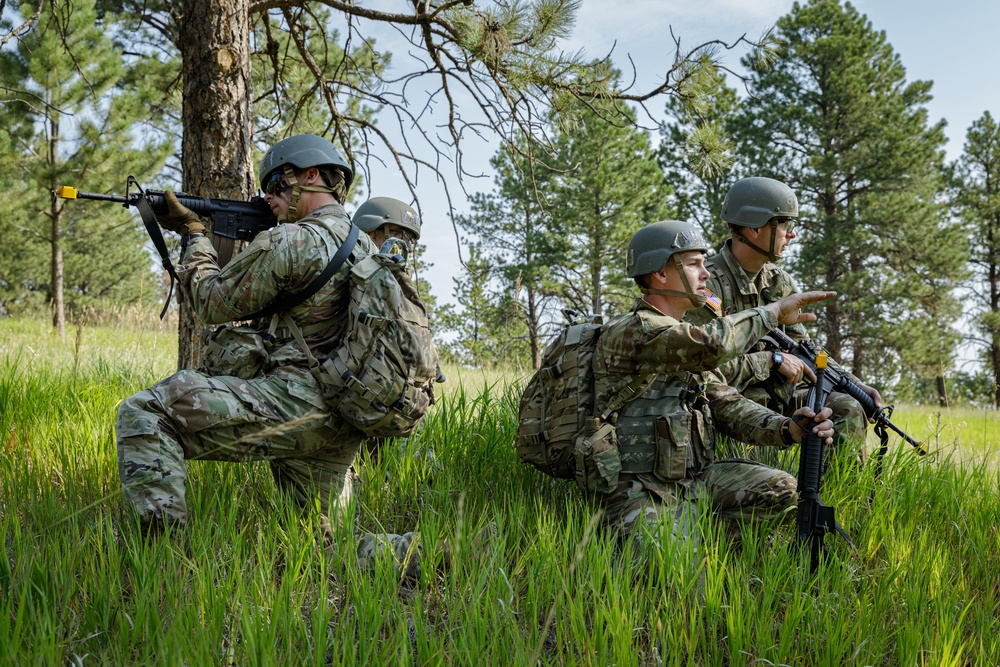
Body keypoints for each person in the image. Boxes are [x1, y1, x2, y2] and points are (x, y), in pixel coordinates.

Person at [116, 134, 421, 575]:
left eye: (277, 182)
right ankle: (442, 551)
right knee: (326, 548)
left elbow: (210, 301)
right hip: (343, 413)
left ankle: (161, 563)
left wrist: (196, 235)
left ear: (310, 176)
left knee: (146, 412)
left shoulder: (294, 241)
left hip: (296, 404)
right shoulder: (366, 245)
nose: (267, 196)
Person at [590, 219, 835, 555]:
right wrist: (773, 312)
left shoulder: (681, 335)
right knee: (678, 583)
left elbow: (724, 403)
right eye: (694, 264)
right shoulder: (634, 331)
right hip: (640, 488)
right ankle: (680, 541)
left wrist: (788, 429)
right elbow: (713, 343)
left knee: (780, 488)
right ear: (661, 273)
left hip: (694, 480)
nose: (705, 274)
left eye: (705, 264)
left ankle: (706, 541)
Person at [684, 176, 881, 460]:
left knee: (847, 407)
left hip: (782, 395)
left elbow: (803, 348)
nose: (792, 234)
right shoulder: (707, 284)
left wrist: (851, 381)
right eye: (785, 225)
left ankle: (839, 497)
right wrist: (771, 362)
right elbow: (701, 368)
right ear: (754, 228)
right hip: (733, 401)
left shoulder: (778, 282)